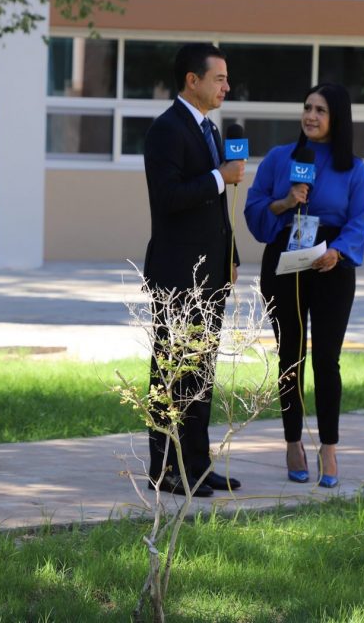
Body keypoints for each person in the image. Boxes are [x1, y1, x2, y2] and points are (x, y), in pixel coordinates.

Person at [244, 82, 364, 488]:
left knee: (327, 360)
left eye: (320, 110)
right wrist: (286, 201)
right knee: (291, 356)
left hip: (331, 264)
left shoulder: (354, 169)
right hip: (285, 261)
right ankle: (292, 442)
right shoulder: (280, 158)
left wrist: (338, 252)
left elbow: (359, 220)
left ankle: (329, 448)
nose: (311, 116)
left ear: (337, 118)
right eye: (307, 108)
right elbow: (254, 211)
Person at [142, 42, 246, 498]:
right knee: (172, 372)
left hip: (210, 272)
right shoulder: (167, 130)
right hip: (177, 274)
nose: (226, 86)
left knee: (201, 372)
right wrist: (221, 176)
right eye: (219, 78)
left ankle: (198, 467)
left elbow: (215, 206)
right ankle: (165, 469)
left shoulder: (210, 129)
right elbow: (168, 197)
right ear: (192, 80)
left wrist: (231, 254)